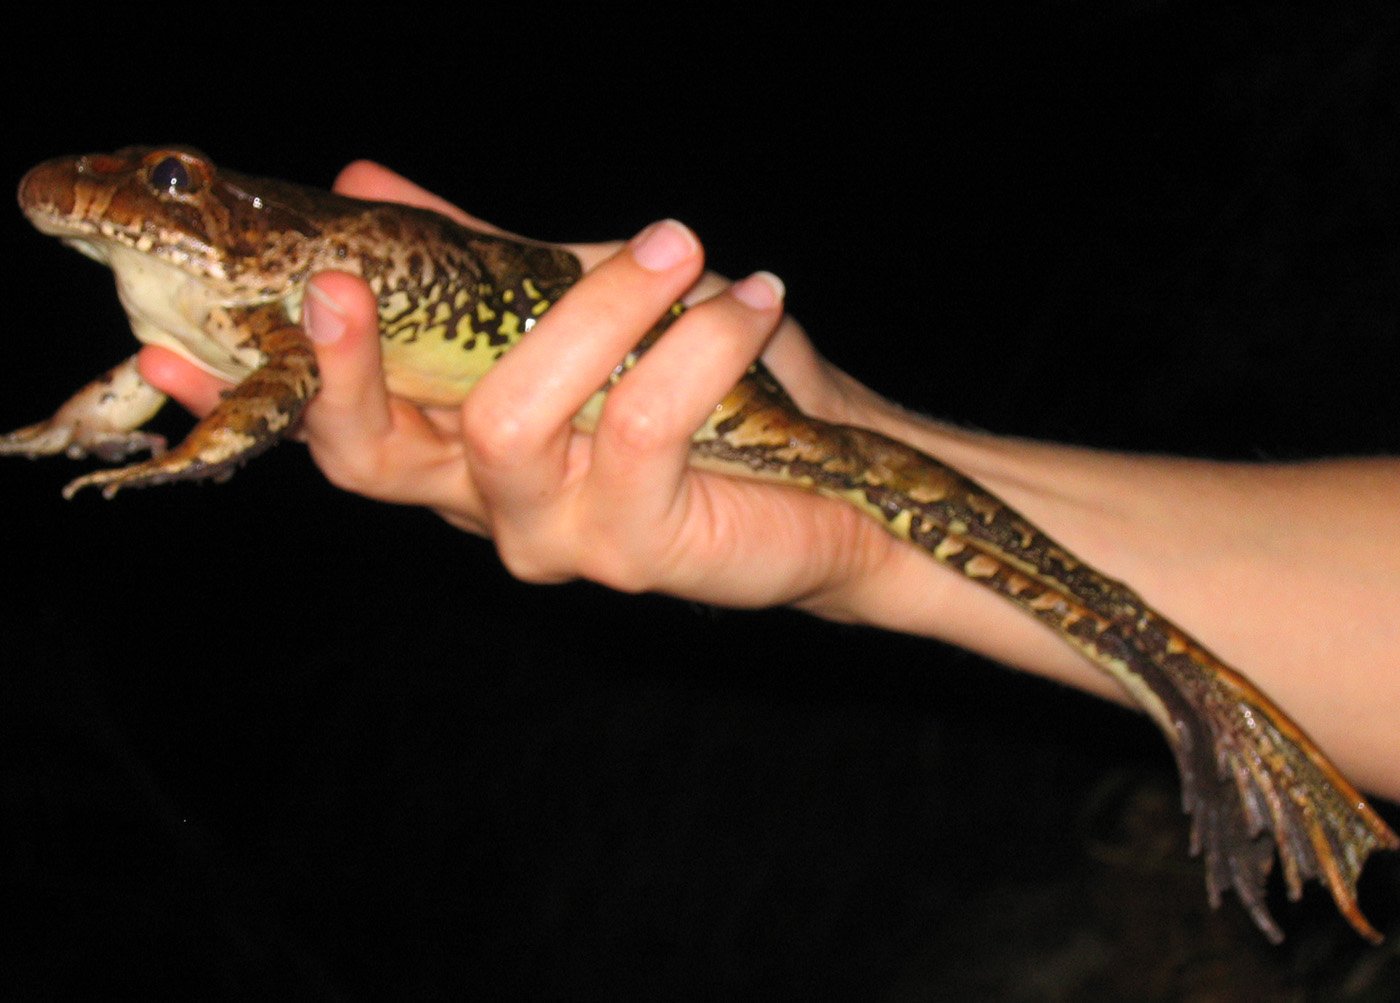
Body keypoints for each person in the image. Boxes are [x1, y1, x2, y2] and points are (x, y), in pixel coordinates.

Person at [139, 161, 1400, 802]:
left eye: (174, 180)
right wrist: (858, 530)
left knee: (937, 514)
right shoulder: (247, 318)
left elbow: (265, 389)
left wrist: (196, 451)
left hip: (641, 367)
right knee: (896, 496)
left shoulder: (281, 282)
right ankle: (1213, 706)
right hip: (667, 393)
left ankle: (1218, 709)